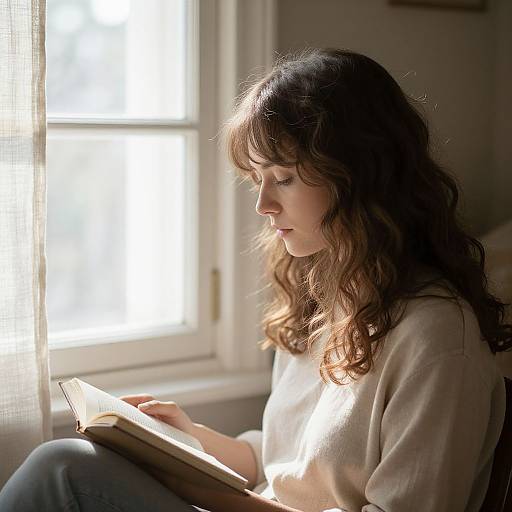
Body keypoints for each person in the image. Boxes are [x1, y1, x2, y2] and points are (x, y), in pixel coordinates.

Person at [0, 47, 510, 512]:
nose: (264, 205)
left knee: (64, 468)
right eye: (257, 179)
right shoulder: (328, 301)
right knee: (68, 462)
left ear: (359, 173)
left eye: (283, 178)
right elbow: (283, 462)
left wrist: (214, 498)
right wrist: (188, 438)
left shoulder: (439, 340)